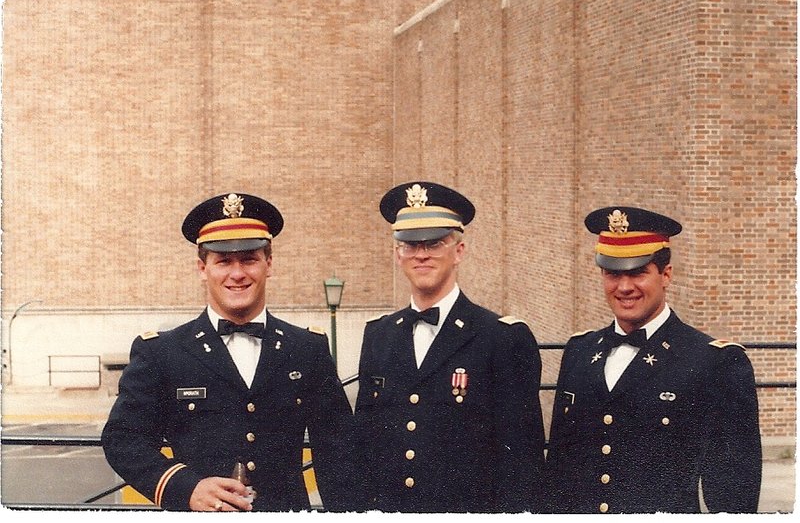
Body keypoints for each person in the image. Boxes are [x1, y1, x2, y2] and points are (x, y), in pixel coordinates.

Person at [102, 192, 354, 512]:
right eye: (223, 261)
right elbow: (123, 439)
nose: (237, 273)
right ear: (202, 268)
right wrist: (185, 487)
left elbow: (339, 453)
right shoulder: (162, 353)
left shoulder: (306, 349)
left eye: (249, 259)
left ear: (269, 264)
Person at [545, 206, 762, 513]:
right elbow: (557, 475)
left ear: (666, 275)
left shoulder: (715, 362)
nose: (624, 287)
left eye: (638, 272)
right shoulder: (579, 351)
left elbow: (734, 494)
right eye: (613, 273)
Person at [353, 181, 546, 512]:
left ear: (459, 251)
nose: (421, 255)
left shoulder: (501, 338)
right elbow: (364, 444)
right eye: (410, 245)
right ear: (397, 254)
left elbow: (521, 464)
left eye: (434, 243)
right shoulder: (379, 335)